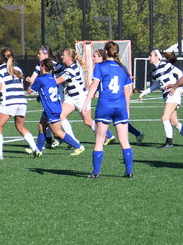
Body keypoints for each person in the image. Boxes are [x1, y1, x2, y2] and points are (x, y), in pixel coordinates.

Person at [82, 41, 134, 178]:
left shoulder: (100, 66)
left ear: (105, 52)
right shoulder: (123, 68)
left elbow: (94, 87)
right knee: (124, 141)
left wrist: (86, 103)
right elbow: (127, 92)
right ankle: (129, 171)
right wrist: (127, 109)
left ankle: (96, 172)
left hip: (105, 106)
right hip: (120, 106)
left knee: (99, 139)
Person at [55, 47, 115, 146]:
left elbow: (57, 81)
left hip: (81, 98)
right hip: (71, 98)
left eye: (63, 55)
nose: (62, 57)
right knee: (60, 115)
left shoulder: (71, 69)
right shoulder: (67, 68)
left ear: (69, 57)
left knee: (87, 121)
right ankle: (73, 141)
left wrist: (43, 81)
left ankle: (106, 135)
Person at [0, 47, 41, 159]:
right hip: (21, 101)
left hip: (10, 101)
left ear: (1, 57)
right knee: (20, 127)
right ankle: (35, 149)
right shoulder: (18, 69)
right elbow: (21, 86)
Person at [27, 58, 85, 156]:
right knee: (41, 127)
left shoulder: (40, 79)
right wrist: (40, 96)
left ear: (43, 67)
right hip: (52, 107)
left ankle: (78, 146)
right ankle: (38, 150)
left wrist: (31, 81)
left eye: (40, 65)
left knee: (58, 132)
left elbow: (29, 91)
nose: (39, 67)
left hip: (51, 109)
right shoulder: (52, 78)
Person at [92, 49, 144, 144]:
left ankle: (108, 137)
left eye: (94, 56)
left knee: (105, 120)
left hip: (112, 100)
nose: (93, 58)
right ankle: (137, 133)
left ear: (101, 57)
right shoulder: (105, 67)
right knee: (119, 122)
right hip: (112, 100)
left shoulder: (103, 67)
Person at [138, 49, 183, 148]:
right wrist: (144, 93)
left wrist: (177, 88)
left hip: (173, 94)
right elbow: (156, 85)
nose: (149, 57)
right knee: (174, 122)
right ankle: (169, 143)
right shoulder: (154, 71)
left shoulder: (165, 65)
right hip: (167, 96)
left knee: (164, 118)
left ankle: (169, 143)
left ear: (157, 57)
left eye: (151, 55)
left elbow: (181, 75)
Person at [26, 46, 63, 149]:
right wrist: (31, 81)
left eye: (40, 54)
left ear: (46, 55)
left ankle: (68, 140)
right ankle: (48, 140)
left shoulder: (55, 65)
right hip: (48, 93)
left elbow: (63, 77)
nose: (38, 55)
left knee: (59, 117)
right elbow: (33, 78)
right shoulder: (40, 65)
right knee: (47, 118)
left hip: (57, 92)